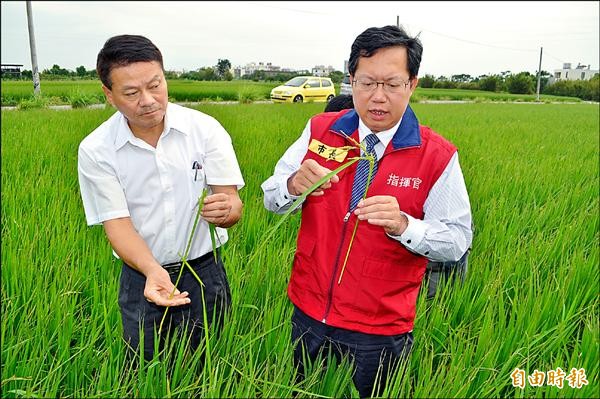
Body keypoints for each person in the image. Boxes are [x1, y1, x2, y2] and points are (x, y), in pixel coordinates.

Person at [262, 25, 472, 397]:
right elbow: (272, 199)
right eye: (366, 83)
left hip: (381, 326)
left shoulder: (437, 155)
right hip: (309, 312)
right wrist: (293, 185)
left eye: (392, 84)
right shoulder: (319, 131)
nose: (378, 97)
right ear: (351, 81)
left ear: (412, 84)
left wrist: (405, 225)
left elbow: (457, 240)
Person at [77, 34, 244, 361]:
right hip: (141, 274)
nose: (148, 100)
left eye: (155, 85)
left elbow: (232, 202)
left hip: (204, 271)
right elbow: (118, 226)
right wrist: (152, 271)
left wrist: (228, 210)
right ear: (108, 95)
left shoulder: (205, 130)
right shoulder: (97, 150)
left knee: (208, 363)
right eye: (131, 92)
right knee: (145, 364)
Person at [324, 94, 471, 300]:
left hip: (439, 253)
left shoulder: (420, 152)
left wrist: (402, 225)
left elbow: (454, 239)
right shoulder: (349, 155)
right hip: (407, 253)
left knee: (438, 305)